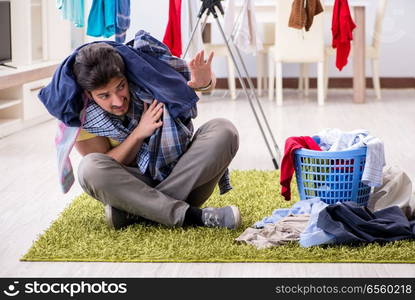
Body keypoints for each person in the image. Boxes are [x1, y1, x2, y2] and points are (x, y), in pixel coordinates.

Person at [70, 37, 241, 230]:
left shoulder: (148, 78)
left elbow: (194, 79)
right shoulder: (81, 119)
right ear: (89, 95)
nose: (118, 101)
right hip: (133, 184)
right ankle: (193, 216)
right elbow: (106, 164)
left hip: (182, 173)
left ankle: (138, 212)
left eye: (121, 87)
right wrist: (138, 133)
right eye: (104, 96)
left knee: (224, 130)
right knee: (89, 169)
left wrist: (204, 82)